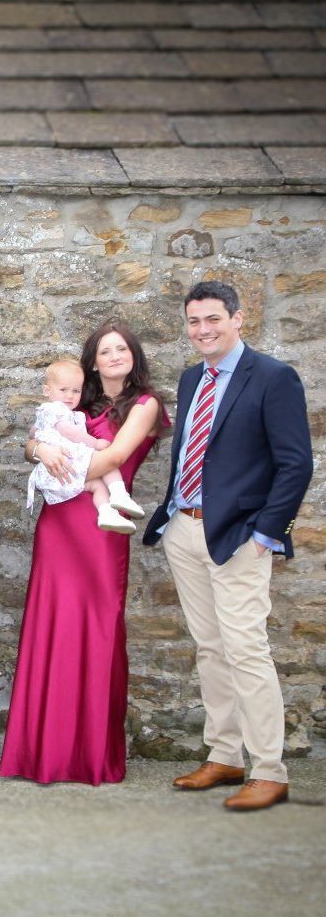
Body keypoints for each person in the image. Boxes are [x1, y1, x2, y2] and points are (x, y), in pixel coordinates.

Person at [143, 281, 311, 812]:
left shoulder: (274, 377)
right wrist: (172, 517)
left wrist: (266, 534)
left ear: (238, 318)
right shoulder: (192, 377)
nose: (203, 330)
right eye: (194, 321)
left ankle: (269, 770)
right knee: (210, 648)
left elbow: (296, 463)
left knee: (246, 650)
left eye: (213, 318)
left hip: (239, 537)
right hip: (184, 529)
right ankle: (224, 755)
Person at [0, 323, 165, 785]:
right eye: (104, 351)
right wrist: (38, 448)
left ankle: (90, 755)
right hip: (59, 525)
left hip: (102, 526)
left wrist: (54, 463)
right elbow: (32, 442)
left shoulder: (145, 404)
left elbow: (114, 460)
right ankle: (43, 755)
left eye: (121, 349)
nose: (114, 356)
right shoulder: (77, 400)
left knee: (98, 627)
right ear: (92, 361)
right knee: (52, 625)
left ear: (133, 355)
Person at [26, 357, 145, 534]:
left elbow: (33, 432)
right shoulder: (55, 409)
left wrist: (39, 436)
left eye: (76, 391)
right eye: (63, 390)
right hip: (65, 461)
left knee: (98, 486)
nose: (70, 395)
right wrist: (95, 443)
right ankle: (120, 494)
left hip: (58, 474)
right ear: (47, 391)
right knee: (105, 461)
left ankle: (106, 513)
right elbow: (70, 432)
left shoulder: (48, 412)